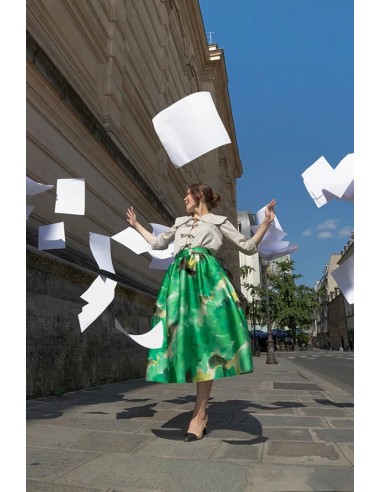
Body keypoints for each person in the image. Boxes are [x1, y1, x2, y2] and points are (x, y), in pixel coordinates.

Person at [126, 183, 276, 442]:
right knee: (176, 337)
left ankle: (199, 415)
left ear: (200, 197)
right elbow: (158, 243)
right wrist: (136, 225)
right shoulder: (180, 222)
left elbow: (248, 247)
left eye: (188, 194)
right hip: (179, 283)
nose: (184, 198)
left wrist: (265, 223)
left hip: (206, 281)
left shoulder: (218, 222)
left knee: (208, 343)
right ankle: (197, 409)